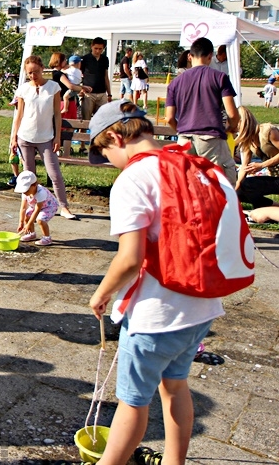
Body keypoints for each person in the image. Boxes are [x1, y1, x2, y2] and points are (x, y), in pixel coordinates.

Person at [87, 100, 226, 465]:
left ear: (116, 136)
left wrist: (102, 294)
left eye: (105, 152)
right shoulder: (194, 166)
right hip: (202, 306)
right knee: (175, 386)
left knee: (132, 403)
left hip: (157, 313)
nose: (109, 162)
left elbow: (130, 258)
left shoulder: (133, 178)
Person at [10, 55, 78, 220]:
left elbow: (57, 114)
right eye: (29, 73)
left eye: (36, 72)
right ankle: (31, 208)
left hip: (46, 137)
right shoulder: (23, 89)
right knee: (29, 176)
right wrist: (13, 138)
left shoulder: (54, 87)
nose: (33, 76)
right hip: (25, 137)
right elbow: (18, 116)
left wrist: (57, 137)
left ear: (42, 68)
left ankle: (64, 207)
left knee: (55, 174)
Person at [165, 37, 239, 186]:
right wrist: (231, 127)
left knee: (186, 186)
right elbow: (232, 113)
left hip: (185, 139)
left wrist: (181, 131)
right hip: (210, 139)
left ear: (189, 56)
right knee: (221, 185)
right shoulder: (219, 77)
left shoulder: (175, 82)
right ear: (210, 56)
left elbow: (169, 118)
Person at [234, 106, 279, 208]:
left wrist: (262, 165)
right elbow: (244, 166)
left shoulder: (268, 131)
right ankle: (274, 207)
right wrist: (236, 186)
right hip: (274, 176)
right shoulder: (248, 140)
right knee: (241, 190)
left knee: (248, 185)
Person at [15, 170, 58, 246]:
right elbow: (23, 208)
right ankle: (32, 234)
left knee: (40, 220)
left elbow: (37, 210)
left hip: (49, 207)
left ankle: (47, 238)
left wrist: (29, 223)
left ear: (34, 185)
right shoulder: (25, 193)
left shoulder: (41, 193)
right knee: (27, 215)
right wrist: (21, 222)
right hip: (35, 206)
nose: (24, 192)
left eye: (26, 189)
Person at [49, 52, 92, 120]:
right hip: (64, 102)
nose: (66, 62)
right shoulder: (58, 74)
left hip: (70, 101)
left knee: (72, 123)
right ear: (59, 61)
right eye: (64, 60)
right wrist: (82, 88)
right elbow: (70, 86)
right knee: (67, 124)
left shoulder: (61, 72)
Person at [80, 37, 113, 120]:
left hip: (102, 93)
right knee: (85, 120)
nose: (98, 51)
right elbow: (79, 75)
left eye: (100, 49)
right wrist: (80, 89)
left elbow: (106, 76)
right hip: (88, 94)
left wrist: (109, 94)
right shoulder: (85, 59)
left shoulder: (105, 59)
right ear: (91, 46)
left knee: (102, 120)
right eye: (96, 48)